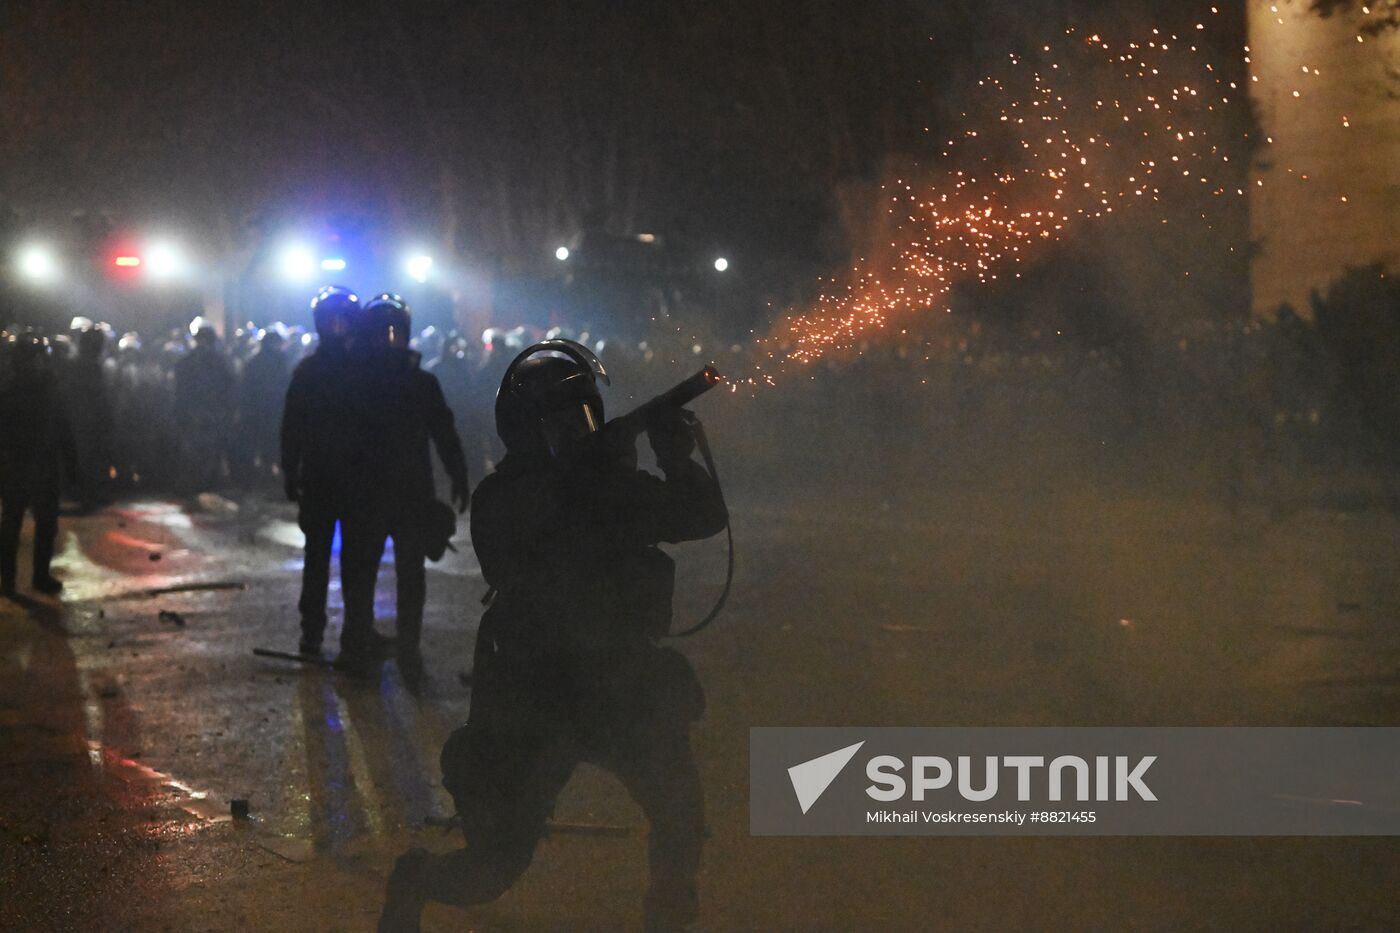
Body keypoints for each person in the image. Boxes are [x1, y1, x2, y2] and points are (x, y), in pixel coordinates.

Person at [378, 339, 727, 932]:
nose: (580, 433)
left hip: (618, 677)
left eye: (588, 418)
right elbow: (554, 535)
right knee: (495, 866)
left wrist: (672, 456)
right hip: (534, 690)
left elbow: (701, 516)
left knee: (679, 813)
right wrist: (622, 472)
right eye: (563, 422)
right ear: (523, 430)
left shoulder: (607, 486)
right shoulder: (506, 497)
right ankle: (418, 881)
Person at [338, 294, 469, 670]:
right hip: (377, 495)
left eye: (396, 332)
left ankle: (400, 645)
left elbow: (444, 432)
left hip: (398, 496)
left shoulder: (412, 382)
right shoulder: (364, 381)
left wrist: (458, 473)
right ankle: (363, 642)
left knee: (402, 574)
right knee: (367, 573)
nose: (390, 339)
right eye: (384, 333)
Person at [281, 286, 371, 657]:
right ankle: (314, 631)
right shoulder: (310, 371)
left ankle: (352, 633)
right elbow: (292, 428)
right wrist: (290, 472)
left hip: (345, 480)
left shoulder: (343, 370)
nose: (336, 327)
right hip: (324, 479)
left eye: (342, 320)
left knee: (350, 562)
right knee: (319, 559)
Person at [0, 333, 78, 597]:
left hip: (24, 466)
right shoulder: (38, 388)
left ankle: (16, 580)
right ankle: (31, 578)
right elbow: (64, 428)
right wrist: (71, 465)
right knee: (29, 524)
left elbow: (63, 428)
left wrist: (70, 464)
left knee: (18, 524)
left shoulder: (16, 388)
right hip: (32, 466)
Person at [172, 318, 236, 491]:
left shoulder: (185, 362)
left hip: (195, 413)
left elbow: (179, 391)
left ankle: (196, 484)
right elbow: (231, 387)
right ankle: (210, 484)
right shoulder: (221, 361)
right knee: (212, 450)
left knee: (194, 451)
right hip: (214, 413)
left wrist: (181, 413)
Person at [238, 324, 292, 482]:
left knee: (261, 443)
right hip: (277, 410)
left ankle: (264, 474)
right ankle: (276, 475)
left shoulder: (252, 362)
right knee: (276, 443)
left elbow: (244, 389)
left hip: (258, 411)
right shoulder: (282, 361)